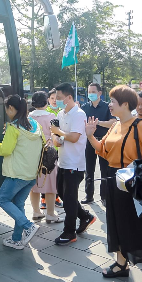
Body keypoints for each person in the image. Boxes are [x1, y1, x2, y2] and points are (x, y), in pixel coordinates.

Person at [85, 85, 142, 282]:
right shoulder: (116, 125)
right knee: (115, 222)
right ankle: (121, 264)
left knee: (137, 225)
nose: (110, 105)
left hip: (131, 181)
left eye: (113, 102)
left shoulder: (140, 126)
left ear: (125, 104)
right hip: (113, 178)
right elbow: (102, 150)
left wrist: (136, 167)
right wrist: (90, 136)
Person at [0, 95, 44, 249]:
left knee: (2, 199)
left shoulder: (13, 127)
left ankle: (28, 226)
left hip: (17, 174)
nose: (7, 112)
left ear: (11, 108)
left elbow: (6, 150)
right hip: (32, 174)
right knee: (18, 204)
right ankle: (17, 239)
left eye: (7, 109)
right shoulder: (35, 124)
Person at [50, 83, 96, 245]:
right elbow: (56, 137)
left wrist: (58, 132)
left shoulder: (78, 114)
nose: (57, 100)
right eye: (56, 97)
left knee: (69, 199)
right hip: (63, 161)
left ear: (69, 97)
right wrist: (56, 136)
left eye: (60, 98)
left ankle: (69, 232)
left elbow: (74, 137)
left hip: (74, 164)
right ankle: (85, 216)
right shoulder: (61, 113)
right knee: (62, 194)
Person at [28, 91, 63, 224]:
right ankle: (50, 213)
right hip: (48, 154)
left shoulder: (29, 117)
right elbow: (56, 134)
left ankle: (36, 211)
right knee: (50, 183)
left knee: (33, 183)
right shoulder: (51, 116)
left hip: (32, 153)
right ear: (46, 101)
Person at [81, 83, 113, 204]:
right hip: (89, 141)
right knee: (89, 169)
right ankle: (89, 195)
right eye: (89, 92)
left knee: (105, 169)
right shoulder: (84, 107)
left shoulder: (107, 107)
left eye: (93, 92)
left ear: (100, 93)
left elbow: (113, 122)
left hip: (104, 141)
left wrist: (98, 123)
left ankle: (104, 196)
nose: (91, 94)